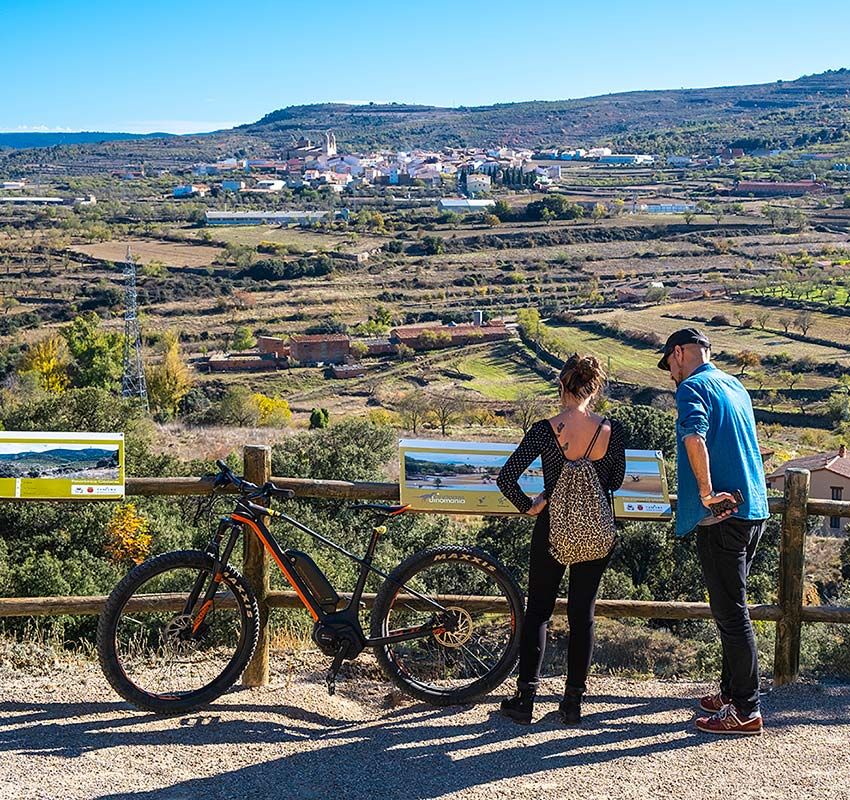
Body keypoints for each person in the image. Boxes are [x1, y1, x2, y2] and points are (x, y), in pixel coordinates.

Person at [496, 354, 625, 725]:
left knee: (537, 611)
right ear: (595, 387)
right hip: (597, 530)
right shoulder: (610, 430)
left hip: (553, 528)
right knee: (582, 614)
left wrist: (531, 504)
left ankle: (525, 700)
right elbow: (614, 481)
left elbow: (507, 478)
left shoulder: (543, 429)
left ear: (561, 385)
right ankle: (572, 704)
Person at [659, 328, 769, 736]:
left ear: (680, 353)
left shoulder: (692, 388)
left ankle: (745, 709)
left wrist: (705, 492)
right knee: (732, 610)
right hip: (752, 508)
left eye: (669, 363)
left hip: (722, 515)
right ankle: (730, 691)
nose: (671, 373)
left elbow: (694, 436)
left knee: (731, 612)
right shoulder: (735, 385)